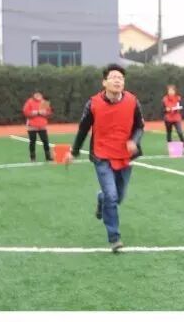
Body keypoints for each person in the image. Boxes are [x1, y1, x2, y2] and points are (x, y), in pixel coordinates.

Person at [70, 64, 144, 252]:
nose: (118, 80)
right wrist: (74, 151)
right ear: (104, 82)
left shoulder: (133, 101)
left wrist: (134, 140)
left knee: (117, 197)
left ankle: (101, 198)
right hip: (102, 155)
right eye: (113, 77)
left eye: (121, 78)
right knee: (112, 196)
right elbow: (83, 129)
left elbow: (139, 126)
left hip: (124, 156)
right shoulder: (93, 104)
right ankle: (114, 238)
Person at [22, 90, 53, 162]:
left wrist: (45, 113)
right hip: (32, 126)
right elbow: (26, 112)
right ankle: (33, 157)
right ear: (34, 95)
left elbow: (49, 112)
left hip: (42, 126)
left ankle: (48, 157)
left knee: (45, 141)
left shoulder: (44, 102)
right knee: (32, 142)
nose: (38, 96)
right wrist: (37, 112)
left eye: (39, 94)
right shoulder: (29, 102)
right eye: (36, 94)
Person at [162, 83, 184, 154]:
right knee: (169, 133)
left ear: (175, 91)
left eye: (172, 90)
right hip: (168, 119)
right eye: (169, 91)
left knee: (180, 132)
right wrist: (166, 110)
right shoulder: (165, 99)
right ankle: (170, 148)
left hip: (176, 118)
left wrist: (177, 108)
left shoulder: (178, 98)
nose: (171, 92)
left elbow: (181, 106)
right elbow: (163, 109)